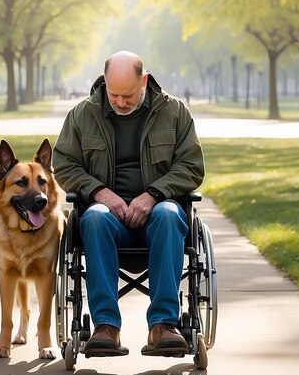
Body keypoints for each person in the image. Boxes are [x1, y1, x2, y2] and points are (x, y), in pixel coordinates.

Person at [53, 51, 205, 358]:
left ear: (144, 81)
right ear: (105, 83)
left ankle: (163, 325)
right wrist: (99, 192)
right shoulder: (82, 114)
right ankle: (105, 327)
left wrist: (154, 194)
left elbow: (191, 166)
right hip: (107, 220)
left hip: (159, 218)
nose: (121, 102)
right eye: (114, 94)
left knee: (168, 213)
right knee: (93, 218)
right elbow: (64, 164)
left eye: (129, 95)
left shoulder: (174, 112)